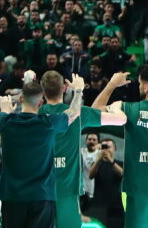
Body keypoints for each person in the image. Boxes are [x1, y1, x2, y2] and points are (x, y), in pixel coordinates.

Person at [0, 68, 86, 228]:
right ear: (40, 102)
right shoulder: (48, 124)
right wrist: (78, 91)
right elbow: (74, 112)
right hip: (42, 195)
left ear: (20, 99)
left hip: (12, 195)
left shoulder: (8, 122)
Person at [93, 66, 148, 228]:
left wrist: (111, 84)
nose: (139, 87)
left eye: (140, 84)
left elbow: (94, 111)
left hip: (138, 190)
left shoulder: (128, 109)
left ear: (146, 87)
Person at [39, 70, 123, 228]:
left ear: (42, 91)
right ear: (64, 88)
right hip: (68, 191)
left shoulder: (35, 114)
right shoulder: (78, 113)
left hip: (40, 190)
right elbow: (119, 120)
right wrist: (115, 106)